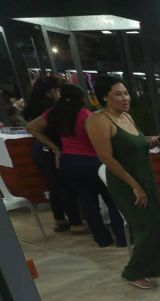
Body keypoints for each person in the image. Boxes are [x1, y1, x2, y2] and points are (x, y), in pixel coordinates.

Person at [86, 75, 160, 289]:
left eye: (125, 93)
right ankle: (134, 272)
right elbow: (106, 157)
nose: (125, 98)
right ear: (105, 97)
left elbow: (132, 142)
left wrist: (147, 140)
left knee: (157, 223)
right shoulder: (99, 120)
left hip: (145, 176)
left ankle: (155, 266)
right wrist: (134, 185)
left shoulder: (127, 117)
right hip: (126, 182)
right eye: (118, 94)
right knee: (145, 227)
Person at [27, 84, 126, 248]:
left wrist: (56, 148)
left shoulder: (54, 114)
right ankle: (122, 239)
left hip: (68, 162)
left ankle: (102, 239)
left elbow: (31, 127)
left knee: (87, 201)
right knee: (112, 199)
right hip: (92, 162)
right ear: (81, 98)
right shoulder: (86, 115)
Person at [22, 76, 86, 234]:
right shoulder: (52, 108)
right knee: (64, 186)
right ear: (51, 91)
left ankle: (60, 220)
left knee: (54, 186)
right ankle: (76, 223)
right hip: (49, 151)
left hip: (40, 150)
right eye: (57, 90)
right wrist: (55, 148)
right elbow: (32, 128)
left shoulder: (34, 105)